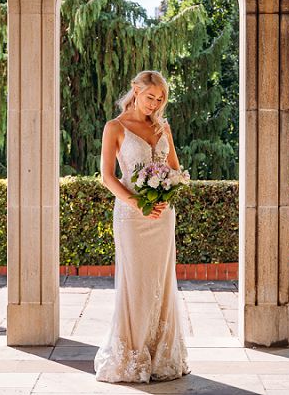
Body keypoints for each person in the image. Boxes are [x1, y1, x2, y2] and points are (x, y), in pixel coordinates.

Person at [93, 70, 190, 383]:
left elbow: (174, 169)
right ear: (135, 90)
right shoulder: (115, 127)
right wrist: (138, 203)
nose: (155, 104)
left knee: (161, 281)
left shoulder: (164, 128)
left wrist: (165, 190)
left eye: (160, 99)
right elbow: (107, 176)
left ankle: (160, 353)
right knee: (135, 283)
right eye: (151, 97)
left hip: (162, 215)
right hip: (132, 216)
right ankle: (132, 355)